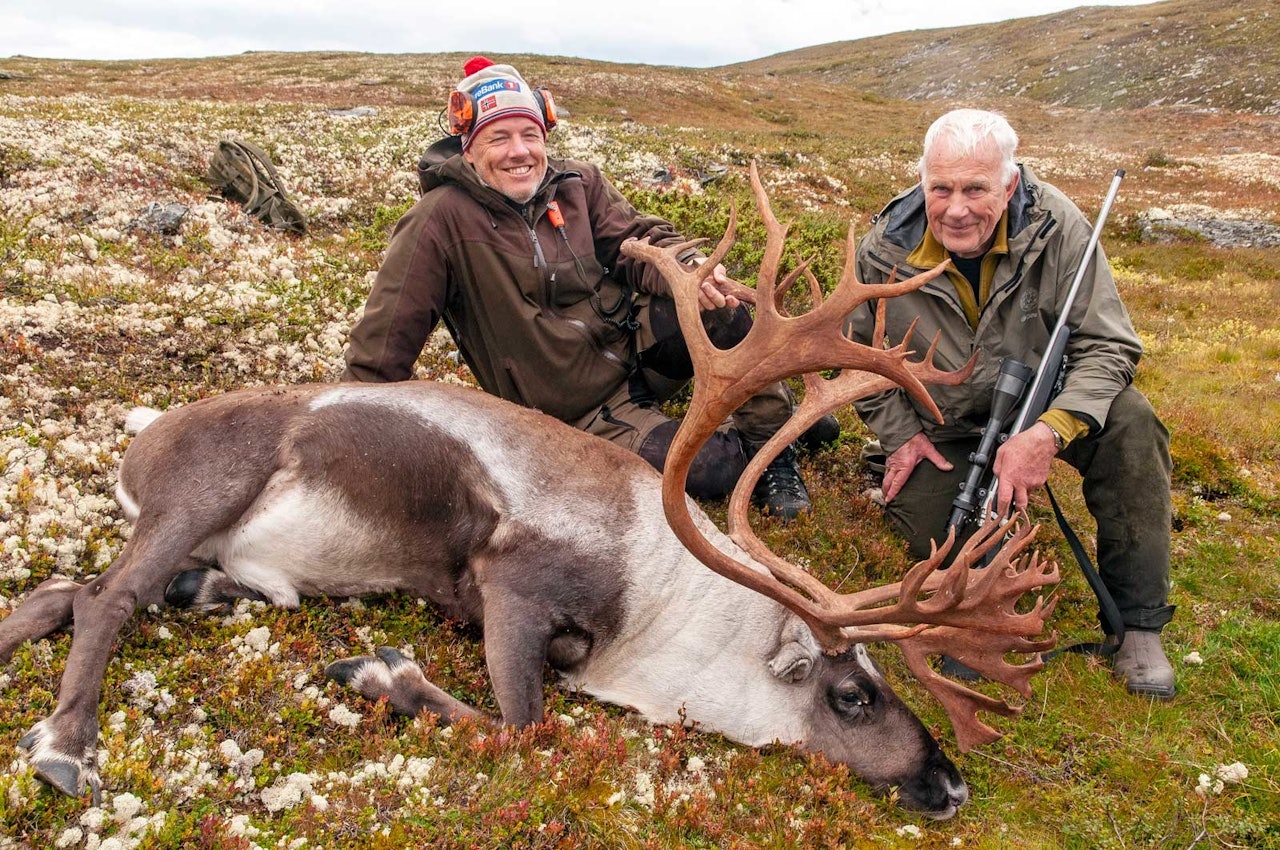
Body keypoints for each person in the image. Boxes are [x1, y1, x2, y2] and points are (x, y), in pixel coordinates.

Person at [342, 56, 834, 519]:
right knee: (711, 470)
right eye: (498, 137)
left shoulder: (577, 183)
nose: (520, 152)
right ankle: (779, 428)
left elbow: (637, 240)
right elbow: (384, 344)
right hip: (579, 413)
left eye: (529, 135)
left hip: (634, 349)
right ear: (468, 148)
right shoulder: (438, 224)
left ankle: (775, 448)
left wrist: (691, 269)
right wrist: (348, 443)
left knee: (721, 307)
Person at [844, 108, 1176, 697]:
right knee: (936, 537)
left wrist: (1048, 431)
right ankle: (976, 588)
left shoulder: (1062, 228)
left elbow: (1109, 344)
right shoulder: (882, 248)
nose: (955, 208)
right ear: (922, 181)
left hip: (1042, 405)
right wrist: (900, 435)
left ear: (1010, 184)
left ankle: (1139, 625)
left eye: (976, 189)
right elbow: (854, 355)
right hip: (940, 425)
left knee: (1132, 423)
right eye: (940, 188)